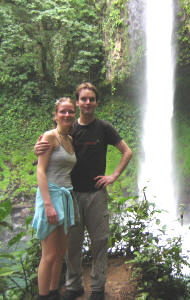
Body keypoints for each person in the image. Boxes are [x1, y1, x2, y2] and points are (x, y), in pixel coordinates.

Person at [35, 82, 133, 300]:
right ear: (78, 102)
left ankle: (98, 288)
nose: (87, 103)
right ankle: (73, 285)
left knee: (99, 241)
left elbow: (127, 152)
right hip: (71, 195)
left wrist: (113, 176)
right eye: (83, 99)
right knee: (72, 244)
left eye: (91, 99)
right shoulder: (69, 130)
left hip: (96, 194)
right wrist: (38, 146)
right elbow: (51, 144)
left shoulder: (104, 128)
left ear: (96, 102)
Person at [33, 97, 77, 300]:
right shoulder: (50, 137)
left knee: (60, 253)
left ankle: (53, 292)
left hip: (65, 197)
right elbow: (40, 172)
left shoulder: (69, 139)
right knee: (49, 255)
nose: (67, 115)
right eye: (63, 111)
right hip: (50, 197)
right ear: (55, 115)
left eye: (70, 111)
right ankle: (43, 296)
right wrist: (48, 205)